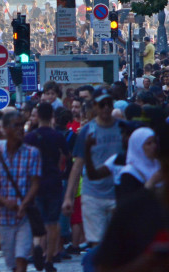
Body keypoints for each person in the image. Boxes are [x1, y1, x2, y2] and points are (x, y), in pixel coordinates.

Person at [92, 124, 169, 272]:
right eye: (148, 143)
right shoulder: (129, 175)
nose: (152, 147)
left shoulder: (155, 169)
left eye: (154, 143)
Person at [63, 87, 121, 246]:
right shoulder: (87, 131)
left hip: (117, 193)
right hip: (93, 194)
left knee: (117, 242)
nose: (106, 108)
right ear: (95, 106)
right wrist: (68, 197)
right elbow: (77, 166)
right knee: (97, 244)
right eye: (102, 104)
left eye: (109, 104)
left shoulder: (122, 128)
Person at [0, 111, 42, 272]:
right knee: (12, 262)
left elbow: (35, 183)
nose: (20, 129)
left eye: (21, 125)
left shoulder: (32, 153)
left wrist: (24, 204)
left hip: (25, 217)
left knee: (21, 258)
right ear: (5, 129)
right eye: (15, 125)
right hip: (4, 218)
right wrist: (4, 201)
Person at [24, 102, 70, 272]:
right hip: (53, 182)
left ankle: (37, 245)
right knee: (53, 222)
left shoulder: (30, 137)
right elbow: (68, 156)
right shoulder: (57, 136)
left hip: (35, 183)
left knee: (37, 219)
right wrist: (64, 174)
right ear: (52, 116)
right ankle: (49, 258)